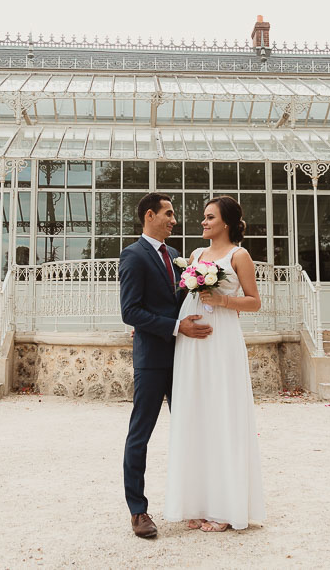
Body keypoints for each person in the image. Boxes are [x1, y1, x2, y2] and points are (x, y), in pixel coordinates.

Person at [164, 195, 266, 532]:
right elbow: (184, 295)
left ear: (226, 222)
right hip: (191, 342)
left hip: (221, 339)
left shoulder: (240, 256)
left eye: (210, 217)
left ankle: (225, 508)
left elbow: (254, 302)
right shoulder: (195, 255)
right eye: (204, 217)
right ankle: (196, 501)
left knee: (222, 413)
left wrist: (222, 300)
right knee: (195, 413)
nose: (204, 222)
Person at [119, 193, 212, 539]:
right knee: (140, 434)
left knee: (190, 428)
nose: (174, 220)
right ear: (149, 216)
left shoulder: (174, 256)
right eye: (168, 213)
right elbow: (130, 312)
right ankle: (138, 511)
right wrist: (177, 327)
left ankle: (196, 500)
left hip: (185, 358)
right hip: (153, 361)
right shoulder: (132, 255)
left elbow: (176, 301)